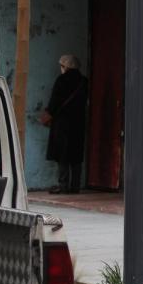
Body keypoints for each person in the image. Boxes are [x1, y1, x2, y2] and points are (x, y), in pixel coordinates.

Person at [45, 54, 88, 194]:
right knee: (76, 155)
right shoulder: (84, 81)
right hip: (78, 122)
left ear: (66, 67)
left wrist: (48, 113)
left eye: (62, 66)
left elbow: (55, 101)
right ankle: (75, 186)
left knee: (62, 155)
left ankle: (63, 185)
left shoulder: (61, 80)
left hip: (62, 123)